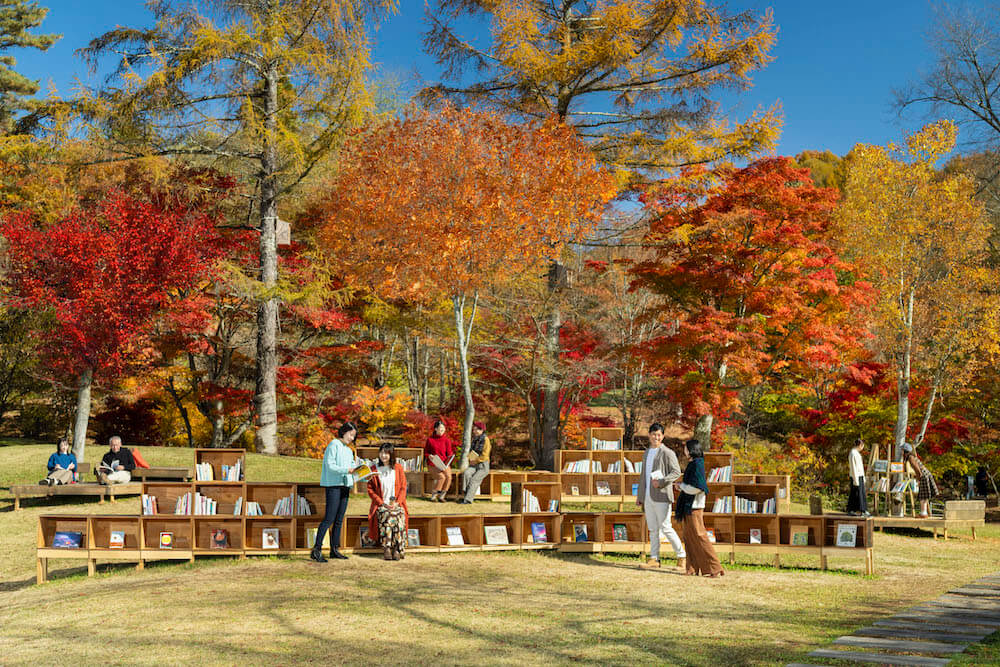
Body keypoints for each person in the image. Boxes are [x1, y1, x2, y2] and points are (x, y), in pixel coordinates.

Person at [637, 423, 685, 570]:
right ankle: (654, 559)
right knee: (652, 529)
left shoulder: (667, 452)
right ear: (649, 435)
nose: (656, 437)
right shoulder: (646, 453)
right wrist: (640, 495)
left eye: (659, 435)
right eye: (653, 434)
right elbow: (643, 476)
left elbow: (676, 472)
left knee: (666, 527)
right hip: (647, 496)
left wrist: (662, 482)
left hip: (662, 496)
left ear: (662, 436)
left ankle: (682, 557)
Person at [311, 422, 362, 563]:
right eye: (351, 435)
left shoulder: (348, 450)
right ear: (344, 432)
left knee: (339, 520)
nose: (352, 438)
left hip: (345, 485)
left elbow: (353, 467)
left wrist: (363, 474)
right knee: (329, 519)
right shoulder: (333, 445)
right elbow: (330, 465)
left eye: (354, 436)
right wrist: (347, 470)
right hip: (333, 485)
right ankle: (316, 550)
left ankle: (334, 549)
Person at [675, 438, 724, 578]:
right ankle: (691, 568)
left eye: (686, 448)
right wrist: (682, 487)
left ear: (691, 450)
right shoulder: (693, 464)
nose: (684, 451)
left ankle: (715, 568)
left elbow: (698, 487)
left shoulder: (697, 465)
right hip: (688, 506)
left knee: (700, 535)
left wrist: (682, 487)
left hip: (694, 507)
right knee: (689, 537)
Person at [367, 443, 409, 560]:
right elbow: (370, 489)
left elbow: (403, 487)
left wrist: (397, 502)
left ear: (391, 454)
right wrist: (381, 502)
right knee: (388, 515)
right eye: (381, 452)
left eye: (386, 453)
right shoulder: (374, 469)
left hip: (396, 504)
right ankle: (387, 548)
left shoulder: (398, 468)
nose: (383, 455)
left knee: (399, 514)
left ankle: (396, 548)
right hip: (381, 504)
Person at [902, 443, 939, 518]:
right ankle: (923, 512)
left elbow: (917, 469)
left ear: (905, 451)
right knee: (924, 495)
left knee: (923, 495)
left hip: (923, 475)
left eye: (902, 450)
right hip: (926, 474)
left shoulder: (910, 458)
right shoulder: (912, 457)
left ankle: (923, 513)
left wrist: (918, 479)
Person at [458, 421, 491, 504]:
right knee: (466, 473)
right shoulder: (475, 439)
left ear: (482, 430)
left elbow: (485, 456)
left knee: (474, 480)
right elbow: (472, 452)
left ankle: (468, 500)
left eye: (477, 430)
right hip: (474, 464)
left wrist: (475, 461)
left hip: (483, 466)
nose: (475, 431)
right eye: (474, 429)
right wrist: (470, 459)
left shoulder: (486, 440)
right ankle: (466, 494)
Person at [424, 420, 456, 502]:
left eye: (443, 429)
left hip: (444, 463)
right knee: (441, 477)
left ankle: (442, 496)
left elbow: (449, 453)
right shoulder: (430, 440)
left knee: (449, 477)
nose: (442, 430)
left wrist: (451, 457)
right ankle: (434, 495)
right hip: (433, 463)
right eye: (440, 429)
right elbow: (426, 452)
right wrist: (429, 456)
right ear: (435, 429)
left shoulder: (447, 440)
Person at [847, 438, 870, 517]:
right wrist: (855, 479)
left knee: (858, 493)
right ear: (860, 445)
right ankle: (861, 510)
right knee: (857, 494)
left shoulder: (856, 453)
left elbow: (860, 467)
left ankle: (855, 510)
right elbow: (853, 467)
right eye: (862, 446)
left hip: (859, 476)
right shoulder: (853, 453)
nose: (862, 447)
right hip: (855, 476)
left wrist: (863, 477)